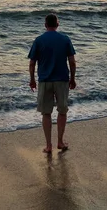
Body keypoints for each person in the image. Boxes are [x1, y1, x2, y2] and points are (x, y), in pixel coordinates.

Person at [28, 13, 76, 154]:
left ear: (45, 25)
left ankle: (48, 145)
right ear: (57, 24)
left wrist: (32, 80)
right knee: (62, 111)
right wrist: (72, 78)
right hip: (61, 80)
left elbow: (32, 63)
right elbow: (72, 62)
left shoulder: (39, 40)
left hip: (45, 80)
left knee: (46, 113)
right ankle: (60, 141)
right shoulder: (65, 39)